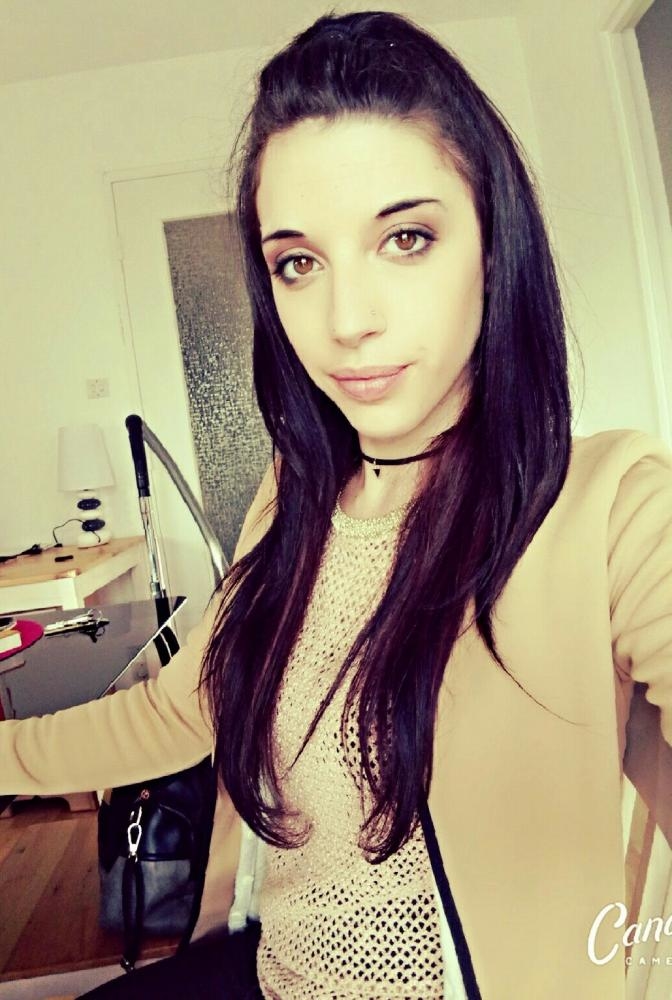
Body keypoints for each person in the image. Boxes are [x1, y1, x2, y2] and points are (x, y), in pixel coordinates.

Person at [2, 11, 672, 1000]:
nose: (347, 321)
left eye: (406, 238)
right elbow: (177, 712)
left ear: (493, 247)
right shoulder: (296, 497)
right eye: (298, 262)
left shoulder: (611, 508)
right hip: (271, 973)